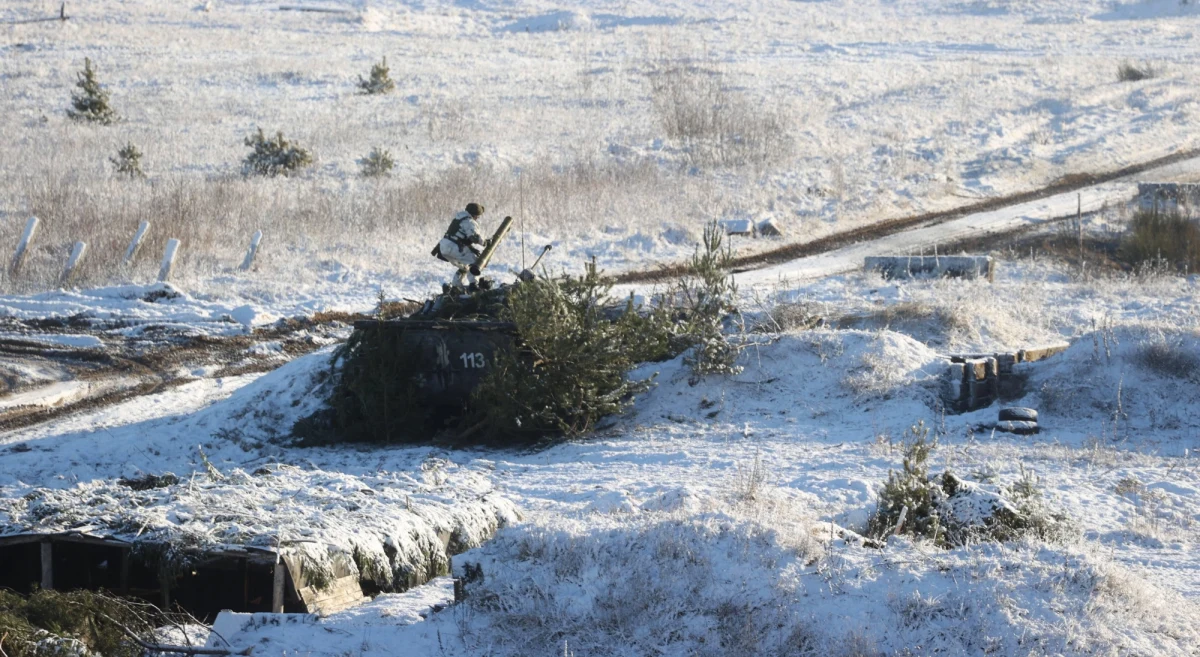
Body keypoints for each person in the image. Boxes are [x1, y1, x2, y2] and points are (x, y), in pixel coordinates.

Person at [432, 202, 489, 289]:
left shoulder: (458, 218)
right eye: (478, 216)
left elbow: (458, 237)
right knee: (475, 263)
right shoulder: (470, 221)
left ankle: (456, 285)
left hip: (443, 247)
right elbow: (474, 237)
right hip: (453, 247)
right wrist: (484, 242)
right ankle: (473, 285)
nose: (477, 218)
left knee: (464, 266)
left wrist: (471, 248)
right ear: (474, 215)